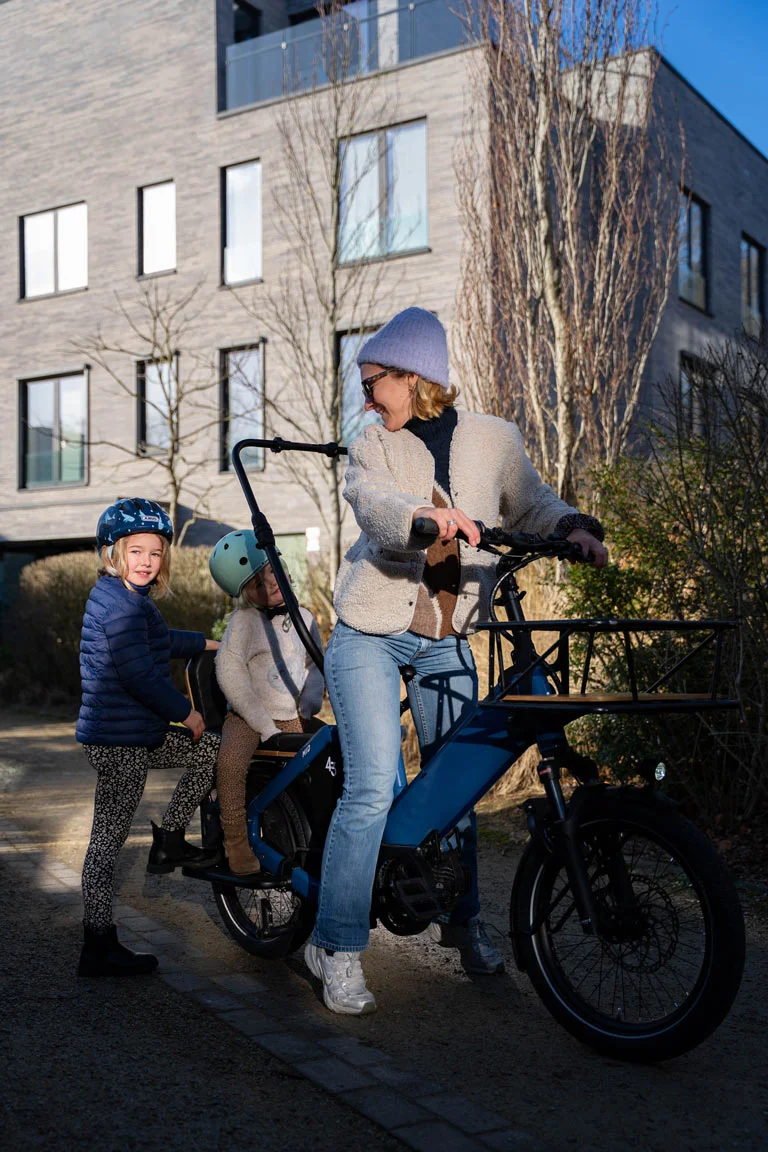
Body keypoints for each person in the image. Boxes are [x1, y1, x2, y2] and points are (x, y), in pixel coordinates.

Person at [304, 307, 608, 1016]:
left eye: (373, 380)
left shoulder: (494, 439)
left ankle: (463, 923)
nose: (366, 394)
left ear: (413, 378)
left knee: (458, 790)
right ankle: (338, 946)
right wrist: (425, 518)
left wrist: (574, 528)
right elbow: (375, 506)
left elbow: (532, 503)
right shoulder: (374, 446)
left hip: (446, 639)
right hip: (370, 631)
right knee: (375, 786)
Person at [76, 497, 221, 978]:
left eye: (154, 553)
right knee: (106, 845)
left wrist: (207, 642)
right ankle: (98, 946)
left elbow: (159, 643)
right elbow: (137, 672)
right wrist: (187, 712)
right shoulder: (117, 605)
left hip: (133, 735)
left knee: (211, 751)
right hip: (121, 745)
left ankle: (172, 837)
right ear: (111, 553)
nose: (145, 561)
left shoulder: (130, 601)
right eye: (135, 551)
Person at [209, 532, 325, 875]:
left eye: (274, 570)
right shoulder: (244, 622)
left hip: (292, 715)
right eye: (259, 583)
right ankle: (235, 841)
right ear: (245, 594)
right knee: (230, 764)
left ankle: (321, 830)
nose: (272, 582)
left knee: (329, 751)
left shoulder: (303, 617)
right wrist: (261, 722)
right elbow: (229, 672)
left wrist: (310, 700)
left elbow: (316, 662)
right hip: (248, 718)